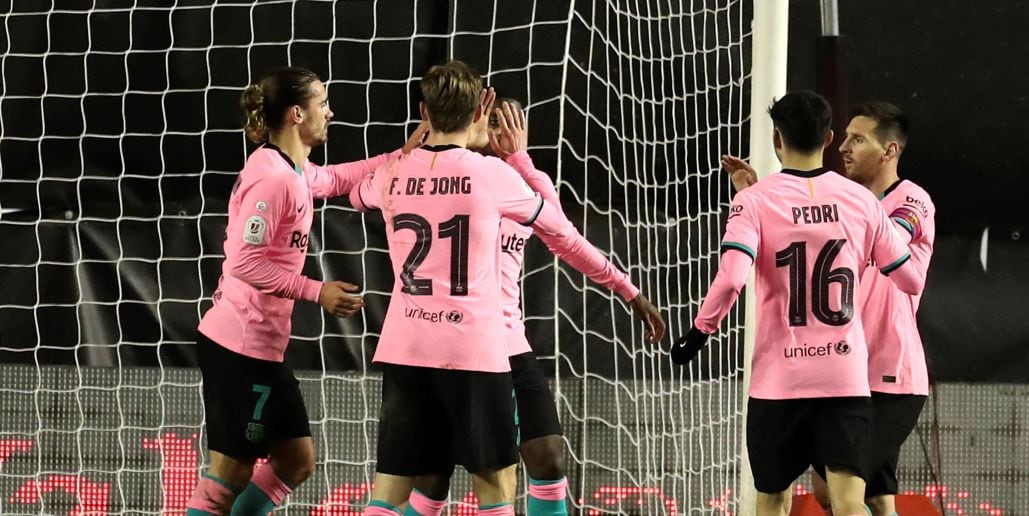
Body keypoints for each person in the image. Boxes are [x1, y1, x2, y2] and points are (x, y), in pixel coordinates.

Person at [352, 61, 662, 516]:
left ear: (424, 111)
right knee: (489, 484)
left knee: (393, 491)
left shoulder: (397, 174)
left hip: (411, 347)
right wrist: (627, 289)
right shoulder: (492, 177)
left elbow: (357, 194)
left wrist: (408, 152)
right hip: (475, 347)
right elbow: (565, 234)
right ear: (481, 108)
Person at [186, 66, 426, 516]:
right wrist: (317, 291)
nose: (330, 112)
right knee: (229, 475)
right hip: (238, 346)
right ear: (297, 113)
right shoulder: (273, 179)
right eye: (323, 103)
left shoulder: (291, 169)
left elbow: (334, 180)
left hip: (262, 349)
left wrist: (401, 155)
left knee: (296, 460)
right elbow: (243, 261)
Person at [670, 91, 921, 516]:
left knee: (772, 500)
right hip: (844, 377)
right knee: (848, 502)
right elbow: (910, 279)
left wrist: (697, 334)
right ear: (827, 138)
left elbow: (731, 278)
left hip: (780, 381)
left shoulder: (753, 201)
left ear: (776, 139)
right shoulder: (862, 201)